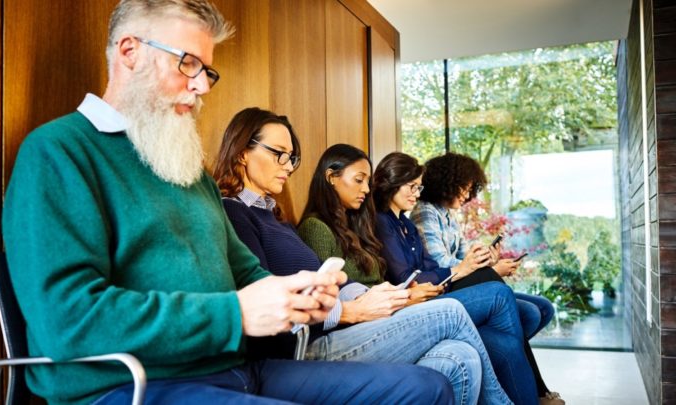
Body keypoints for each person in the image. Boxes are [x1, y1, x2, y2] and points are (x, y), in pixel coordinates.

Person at [0, 1, 456, 404]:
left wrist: (301, 293)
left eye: (207, 71)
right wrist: (234, 313)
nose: (201, 86)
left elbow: (245, 270)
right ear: (129, 52)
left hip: (235, 371)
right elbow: (68, 322)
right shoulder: (59, 152)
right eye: (187, 64)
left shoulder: (184, 166)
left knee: (427, 388)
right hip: (132, 386)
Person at [213, 107, 515, 405]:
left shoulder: (273, 216)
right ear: (242, 153)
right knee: (450, 311)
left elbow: (324, 284)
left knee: (459, 357)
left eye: (291, 158)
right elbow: (264, 301)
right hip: (307, 346)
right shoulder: (234, 213)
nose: (289, 166)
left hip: (336, 325)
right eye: (279, 153)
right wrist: (354, 310)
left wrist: (373, 295)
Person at [297, 144, 540, 405]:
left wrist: (400, 294)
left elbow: (419, 271)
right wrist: (402, 295)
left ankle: (536, 393)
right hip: (360, 325)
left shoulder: (363, 226)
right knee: (491, 295)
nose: (366, 189)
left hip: (389, 308)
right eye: (359, 180)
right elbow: (332, 294)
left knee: (471, 351)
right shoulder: (318, 228)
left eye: (368, 181)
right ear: (331, 177)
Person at [409, 152, 563, 405]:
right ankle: (534, 390)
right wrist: (489, 271)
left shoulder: (447, 214)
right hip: (445, 286)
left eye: (471, 189)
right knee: (526, 312)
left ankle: (515, 375)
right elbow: (440, 265)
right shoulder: (425, 212)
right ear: (447, 182)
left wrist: (487, 260)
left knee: (542, 309)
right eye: (465, 187)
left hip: (459, 279)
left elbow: (461, 256)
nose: (468, 195)